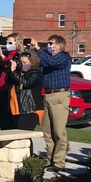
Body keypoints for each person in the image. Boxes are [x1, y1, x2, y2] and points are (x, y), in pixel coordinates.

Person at [37, 34, 71, 173]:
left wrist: (39, 49)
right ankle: (51, 159)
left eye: (51, 43)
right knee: (47, 131)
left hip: (59, 95)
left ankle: (59, 162)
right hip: (48, 95)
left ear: (59, 46)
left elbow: (52, 62)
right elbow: (39, 62)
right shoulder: (47, 58)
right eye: (48, 43)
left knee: (58, 131)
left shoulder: (63, 57)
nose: (49, 46)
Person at [0, 33, 24, 130]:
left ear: (17, 43)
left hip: (11, 89)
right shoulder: (5, 53)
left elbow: (16, 67)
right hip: (0, 89)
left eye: (10, 42)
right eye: (7, 42)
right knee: (2, 117)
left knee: (11, 117)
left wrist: (3, 57)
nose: (7, 44)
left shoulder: (20, 55)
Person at [6, 50, 44, 131]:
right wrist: (12, 70)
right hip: (17, 109)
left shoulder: (36, 73)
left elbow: (25, 83)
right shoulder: (19, 73)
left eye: (25, 62)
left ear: (32, 62)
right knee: (16, 136)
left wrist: (13, 72)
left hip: (30, 109)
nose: (22, 64)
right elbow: (7, 81)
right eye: (21, 62)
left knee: (24, 136)